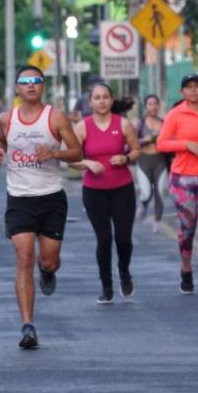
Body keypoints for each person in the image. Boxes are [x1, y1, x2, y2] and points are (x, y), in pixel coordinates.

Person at [0, 66, 83, 349]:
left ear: (43, 87)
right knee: (23, 258)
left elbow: (78, 151)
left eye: (36, 81)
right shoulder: (7, 119)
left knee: (48, 260)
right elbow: (1, 140)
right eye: (25, 82)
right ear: (17, 87)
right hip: (19, 198)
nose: (30, 86)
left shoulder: (55, 117)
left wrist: (54, 152)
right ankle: (27, 326)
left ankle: (48, 271)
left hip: (51, 197)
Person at [70, 81, 142, 304]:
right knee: (104, 239)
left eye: (105, 97)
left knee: (123, 238)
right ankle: (106, 286)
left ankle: (124, 271)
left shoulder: (123, 124)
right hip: (94, 191)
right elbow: (71, 159)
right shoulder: (82, 126)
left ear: (111, 100)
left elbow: (137, 149)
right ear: (90, 102)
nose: (101, 101)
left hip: (122, 188)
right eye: (97, 97)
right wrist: (87, 164)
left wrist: (126, 158)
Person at [157, 74, 198, 294]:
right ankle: (186, 268)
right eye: (189, 88)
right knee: (187, 228)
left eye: (197, 87)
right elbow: (162, 144)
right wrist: (186, 144)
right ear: (182, 92)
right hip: (182, 178)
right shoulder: (175, 115)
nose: (193, 91)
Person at [135, 94, 167, 232]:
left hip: (160, 161)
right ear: (145, 106)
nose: (153, 107)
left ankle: (157, 221)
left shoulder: (165, 123)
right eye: (150, 104)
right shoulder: (140, 124)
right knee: (146, 193)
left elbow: (171, 140)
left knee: (160, 192)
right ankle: (143, 204)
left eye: (155, 103)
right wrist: (145, 139)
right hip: (143, 161)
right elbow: (132, 143)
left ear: (159, 106)